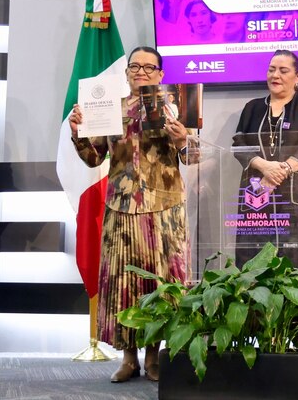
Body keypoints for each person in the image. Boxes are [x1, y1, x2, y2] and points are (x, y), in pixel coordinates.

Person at [69, 46, 191, 383]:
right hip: (121, 207)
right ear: (126, 74)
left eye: (149, 67)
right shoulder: (109, 108)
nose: (141, 72)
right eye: (134, 66)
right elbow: (94, 158)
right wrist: (78, 131)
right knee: (124, 283)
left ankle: (154, 357)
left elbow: (194, 157)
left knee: (160, 282)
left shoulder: (177, 105)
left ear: (161, 73)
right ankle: (128, 358)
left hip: (164, 208)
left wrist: (183, 141)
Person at [232, 50, 298, 271]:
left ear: (297, 76)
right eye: (271, 69)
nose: (275, 75)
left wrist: (282, 169)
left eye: (283, 70)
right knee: (256, 263)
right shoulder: (252, 108)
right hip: (258, 194)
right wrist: (264, 166)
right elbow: (238, 146)